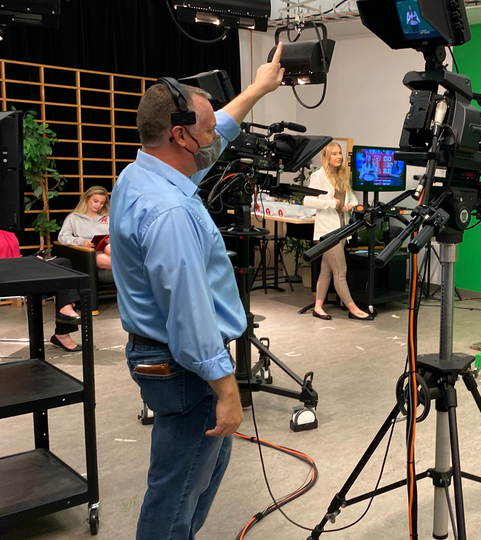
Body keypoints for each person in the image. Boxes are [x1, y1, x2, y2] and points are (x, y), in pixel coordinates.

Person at [109, 44, 285, 540]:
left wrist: (256, 90)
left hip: (164, 358)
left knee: (196, 474)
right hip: (185, 366)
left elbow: (214, 137)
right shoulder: (170, 212)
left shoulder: (142, 174)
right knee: (178, 488)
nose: (214, 139)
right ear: (180, 135)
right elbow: (189, 314)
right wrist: (227, 389)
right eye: (205, 131)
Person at [303, 142, 374, 320]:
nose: (338, 157)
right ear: (326, 157)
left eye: (340, 153)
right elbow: (308, 201)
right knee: (341, 271)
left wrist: (351, 205)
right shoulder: (318, 176)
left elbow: (352, 197)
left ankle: (318, 307)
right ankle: (354, 309)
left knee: (326, 271)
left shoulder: (342, 175)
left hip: (342, 231)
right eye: (334, 154)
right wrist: (331, 203)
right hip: (327, 233)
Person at [58, 185, 112, 269]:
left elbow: (119, 235)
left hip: (109, 249)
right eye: (95, 201)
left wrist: (112, 239)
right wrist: (82, 242)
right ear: (87, 199)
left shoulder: (108, 217)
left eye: (102, 203)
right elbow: (62, 237)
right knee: (100, 258)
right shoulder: (73, 217)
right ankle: (134, 270)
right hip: (88, 253)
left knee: (109, 247)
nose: (98, 205)